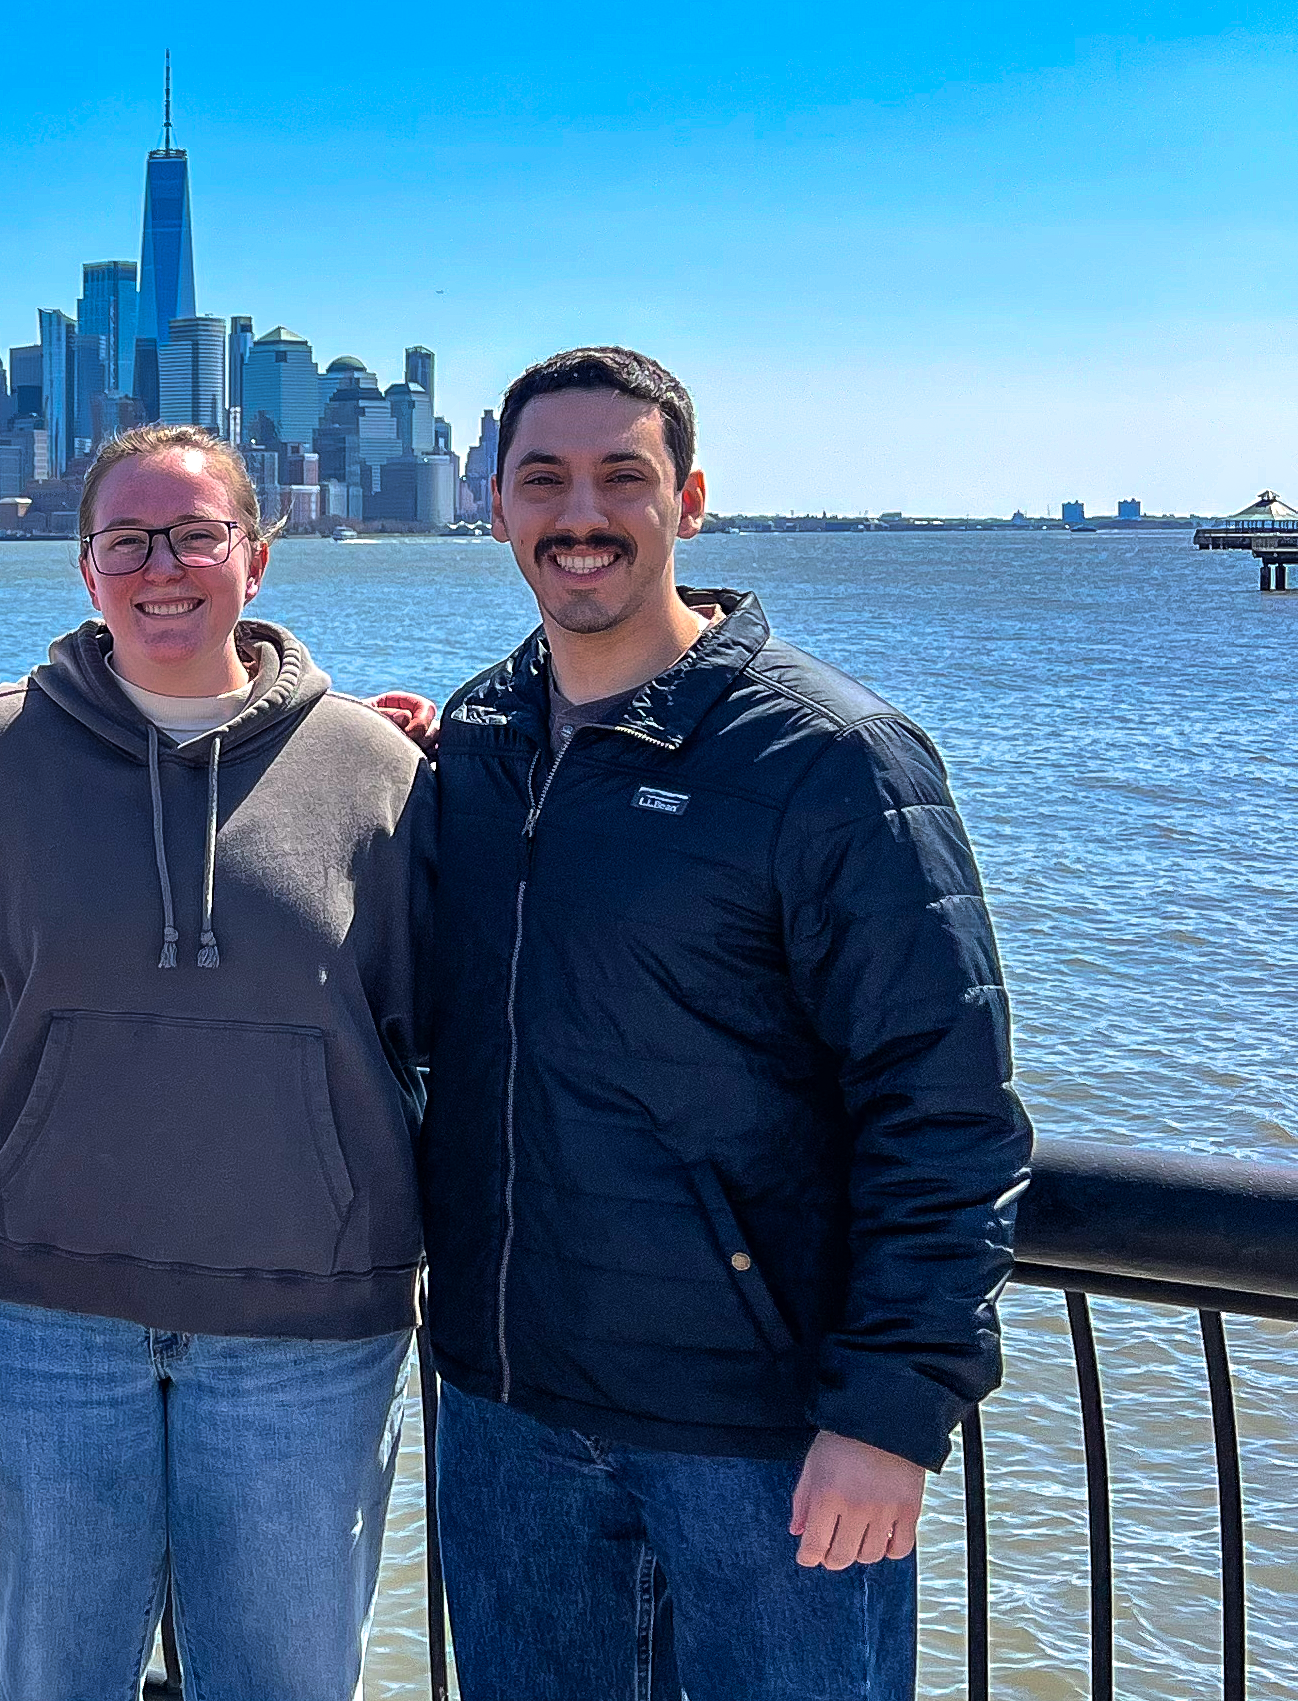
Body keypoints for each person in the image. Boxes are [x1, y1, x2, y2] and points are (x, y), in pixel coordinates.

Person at [421, 346, 1032, 1699]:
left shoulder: (829, 758)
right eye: (544, 479)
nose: (582, 511)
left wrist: (893, 1412)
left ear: (688, 500)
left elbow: (948, 1109)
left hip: (762, 1436)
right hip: (507, 1414)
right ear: (497, 507)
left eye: (621, 476)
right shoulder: (477, 738)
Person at [0, 423, 427, 1700]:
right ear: (85, 570)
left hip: (308, 1329)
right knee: (55, 1680)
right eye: (126, 540)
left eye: (195, 534)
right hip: (31, 1324)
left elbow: (433, 1033)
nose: (162, 565)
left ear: (256, 558)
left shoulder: (375, 770)